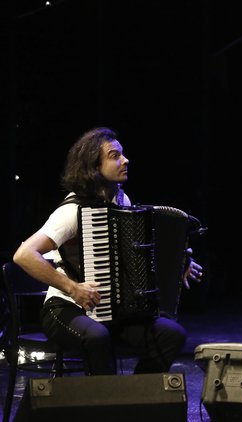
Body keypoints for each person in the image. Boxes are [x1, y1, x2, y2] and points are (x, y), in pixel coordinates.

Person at [12, 127, 204, 375]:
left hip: (112, 312)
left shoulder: (123, 202)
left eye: (123, 155)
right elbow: (24, 254)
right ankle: (106, 406)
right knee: (97, 338)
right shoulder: (72, 211)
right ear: (93, 166)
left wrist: (176, 267)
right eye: (115, 156)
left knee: (171, 334)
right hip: (65, 309)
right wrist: (73, 288)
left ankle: (133, 400)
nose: (125, 160)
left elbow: (134, 259)